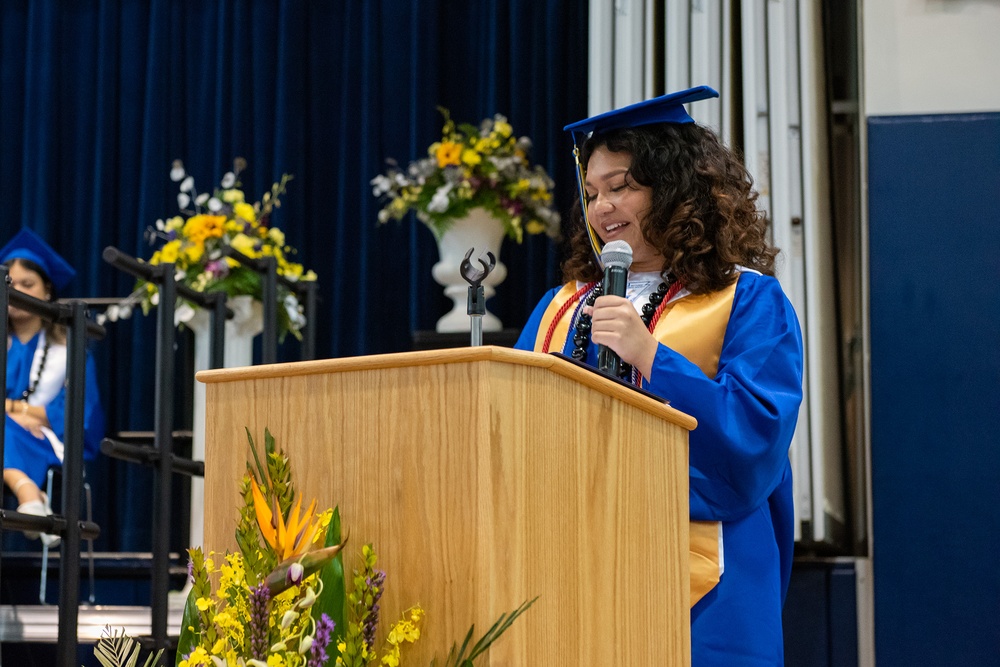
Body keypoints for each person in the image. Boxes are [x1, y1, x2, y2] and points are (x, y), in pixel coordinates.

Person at [515, 87, 804, 664]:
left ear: (676, 191)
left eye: (622, 186)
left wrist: (651, 356)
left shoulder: (745, 300)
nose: (601, 208)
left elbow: (753, 441)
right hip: (573, 576)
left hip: (703, 591)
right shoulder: (561, 307)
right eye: (593, 192)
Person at [3, 228, 105, 547]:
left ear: (47, 291)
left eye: (27, 284)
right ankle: (31, 497)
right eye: (11, 285)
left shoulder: (69, 352)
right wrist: (24, 413)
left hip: (47, 444)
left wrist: (14, 411)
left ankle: (30, 496)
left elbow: (77, 415)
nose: (17, 291)